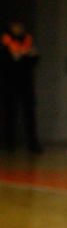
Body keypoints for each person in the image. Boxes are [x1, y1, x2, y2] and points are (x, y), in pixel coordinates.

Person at [0, 20, 41, 152]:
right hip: (9, 82)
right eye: (15, 27)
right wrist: (17, 57)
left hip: (26, 83)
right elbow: (6, 61)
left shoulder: (28, 40)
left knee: (29, 113)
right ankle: (9, 143)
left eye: (20, 26)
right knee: (10, 113)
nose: (18, 29)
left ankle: (32, 143)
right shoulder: (5, 42)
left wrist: (27, 56)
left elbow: (33, 59)